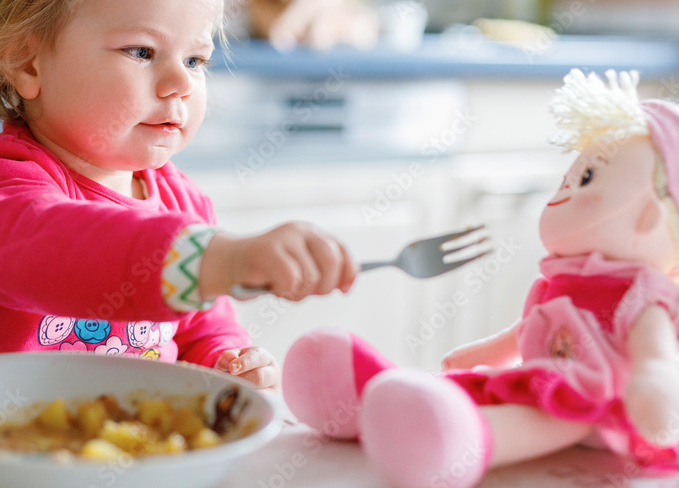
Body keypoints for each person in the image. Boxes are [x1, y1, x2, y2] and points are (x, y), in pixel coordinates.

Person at [0, 0, 357, 390]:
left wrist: (227, 360)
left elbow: (202, 326)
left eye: (195, 60)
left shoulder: (184, 205)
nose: (181, 82)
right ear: (27, 63)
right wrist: (219, 260)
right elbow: (63, 250)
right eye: (142, 52)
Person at [282, 69, 679, 486]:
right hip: (540, 378)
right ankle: (363, 399)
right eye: (571, 176)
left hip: (596, 402)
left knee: (538, 418)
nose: (563, 190)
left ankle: (455, 443)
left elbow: (656, 358)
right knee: (484, 385)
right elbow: (524, 333)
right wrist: (482, 354)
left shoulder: (643, 295)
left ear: (652, 215)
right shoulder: (560, 282)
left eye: (585, 178)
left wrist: (656, 394)